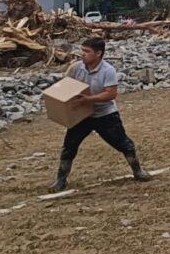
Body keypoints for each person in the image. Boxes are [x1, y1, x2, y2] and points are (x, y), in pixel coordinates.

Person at [49, 37, 152, 192]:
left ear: (98, 53)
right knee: (69, 146)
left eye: (86, 51)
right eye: (82, 50)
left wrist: (88, 99)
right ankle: (61, 180)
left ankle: (138, 171)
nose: (82, 54)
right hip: (83, 115)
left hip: (105, 114)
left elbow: (111, 94)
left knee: (123, 144)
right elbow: (66, 86)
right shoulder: (76, 68)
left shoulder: (108, 70)